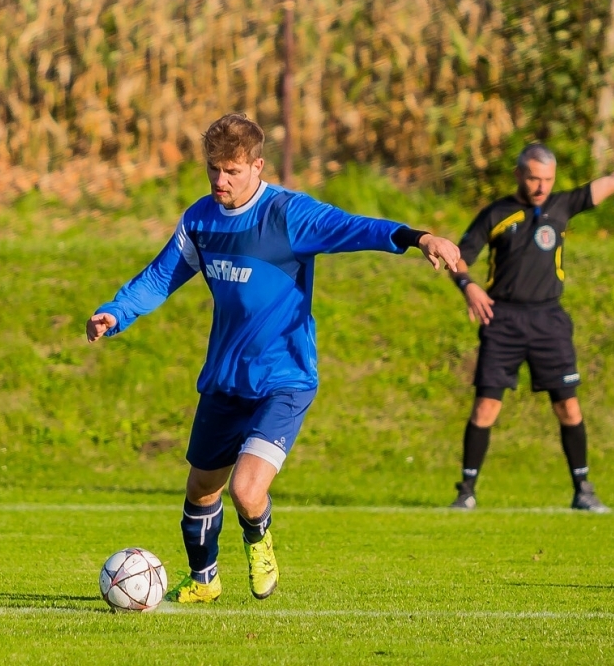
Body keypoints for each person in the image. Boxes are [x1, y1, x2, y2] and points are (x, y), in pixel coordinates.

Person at [86, 114, 461, 602]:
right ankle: (205, 581)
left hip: (285, 377)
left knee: (246, 490)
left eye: (232, 171)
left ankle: (259, 540)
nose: (220, 181)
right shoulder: (199, 220)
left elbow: (354, 228)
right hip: (226, 379)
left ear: (258, 166)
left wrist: (418, 237)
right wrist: (116, 312)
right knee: (201, 488)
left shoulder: (287, 215)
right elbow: (161, 277)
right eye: (213, 170)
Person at [447, 138, 614, 512]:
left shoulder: (562, 206)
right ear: (518, 175)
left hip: (549, 321)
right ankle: (466, 491)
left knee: (569, 409)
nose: (541, 186)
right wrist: (469, 286)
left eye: (547, 178)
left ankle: (583, 490)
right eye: (533, 178)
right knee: (486, 408)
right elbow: (457, 258)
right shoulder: (496, 213)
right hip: (503, 320)